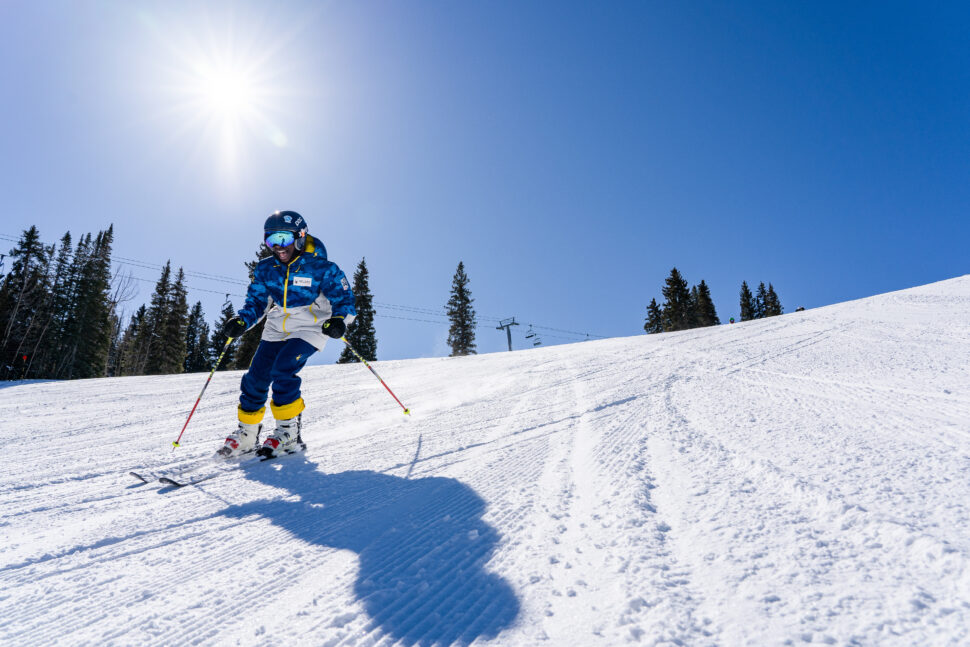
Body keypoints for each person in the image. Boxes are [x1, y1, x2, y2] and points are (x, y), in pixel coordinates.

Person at [217, 210, 356, 458]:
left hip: (311, 325)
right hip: (277, 325)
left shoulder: (322, 268)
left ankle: (288, 432)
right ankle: (248, 434)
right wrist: (242, 321)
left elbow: (344, 299)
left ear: (300, 236)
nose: (278, 247)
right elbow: (256, 302)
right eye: (271, 240)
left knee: (282, 369)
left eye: (284, 239)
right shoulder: (266, 268)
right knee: (256, 377)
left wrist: (338, 320)